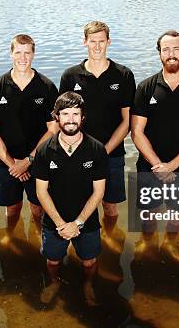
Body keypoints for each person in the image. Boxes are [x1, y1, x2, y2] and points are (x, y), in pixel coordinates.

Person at [131, 30, 179, 232]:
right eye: (166, 49)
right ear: (159, 53)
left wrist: (172, 166)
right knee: (148, 220)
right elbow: (136, 132)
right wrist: (159, 165)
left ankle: (172, 255)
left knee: (175, 222)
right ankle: (149, 257)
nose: (171, 53)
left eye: (176, 48)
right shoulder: (145, 88)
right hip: (149, 167)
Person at [33, 92, 107, 305]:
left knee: (89, 261)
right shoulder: (45, 151)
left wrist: (78, 223)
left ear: (83, 117)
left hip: (87, 220)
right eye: (65, 114)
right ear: (56, 117)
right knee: (53, 260)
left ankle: (88, 283)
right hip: (55, 222)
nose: (71, 119)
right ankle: (54, 282)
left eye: (76, 114)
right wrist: (61, 224)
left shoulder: (97, 149)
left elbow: (98, 192)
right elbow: (41, 192)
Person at [59, 21, 135, 217]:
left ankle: (109, 243)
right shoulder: (70, 76)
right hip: (77, 153)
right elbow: (64, 120)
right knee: (77, 206)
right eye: (93, 41)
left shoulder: (123, 75)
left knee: (110, 208)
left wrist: (104, 151)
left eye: (102, 41)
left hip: (112, 154)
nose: (97, 46)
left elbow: (127, 121)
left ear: (109, 42)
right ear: (85, 42)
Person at [0, 34, 58, 222]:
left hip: (39, 161)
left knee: (38, 207)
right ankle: (11, 237)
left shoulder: (47, 87)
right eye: (18, 52)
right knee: (12, 207)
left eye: (27, 53)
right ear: (11, 54)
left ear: (33, 54)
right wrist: (13, 164)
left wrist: (28, 160)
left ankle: (37, 239)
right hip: (6, 163)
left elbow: (53, 129)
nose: (22, 58)